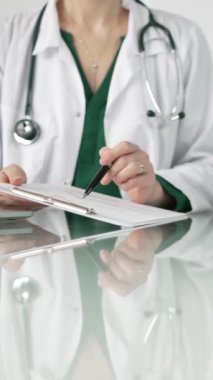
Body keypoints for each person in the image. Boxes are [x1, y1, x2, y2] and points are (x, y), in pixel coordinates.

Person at [0, 0, 213, 212]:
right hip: (31, 238)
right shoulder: (8, 36)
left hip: (144, 242)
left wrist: (157, 190)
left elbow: (207, 164)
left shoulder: (183, 40)